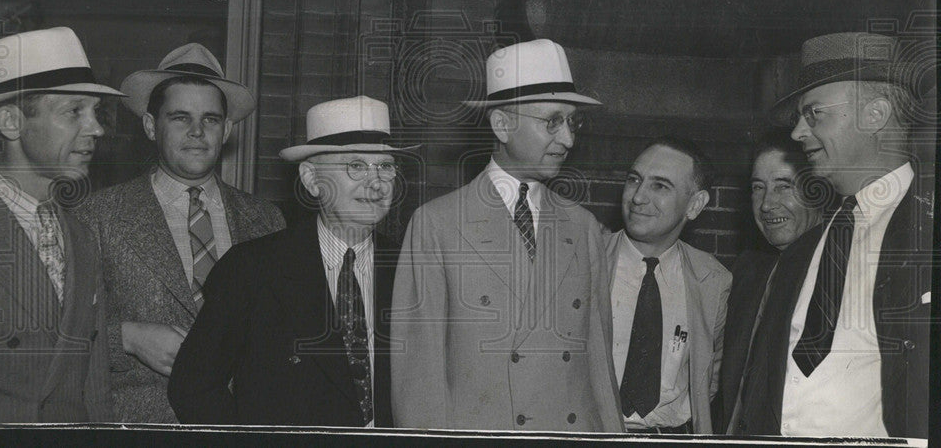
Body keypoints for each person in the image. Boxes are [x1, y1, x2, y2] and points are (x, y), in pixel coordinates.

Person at [391, 39, 625, 432]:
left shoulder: (583, 226)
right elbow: (420, 380)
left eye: (573, 122)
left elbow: (599, 368)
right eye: (552, 121)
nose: (568, 139)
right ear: (502, 124)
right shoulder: (437, 224)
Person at [168, 96, 415, 427]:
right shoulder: (252, 269)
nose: (377, 182)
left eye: (385, 166)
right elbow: (194, 387)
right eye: (355, 165)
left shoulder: (412, 268)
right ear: (312, 179)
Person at [733, 32, 933, 438]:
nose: (797, 133)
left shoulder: (928, 234)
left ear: (874, 115)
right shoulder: (799, 253)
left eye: (814, 114)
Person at [74, 43, 285, 423]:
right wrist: (127, 337)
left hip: (243, 426)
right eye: (180, 118)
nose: (197, 132)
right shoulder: (98, 215)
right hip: (140, 427)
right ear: (151, 126)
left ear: (228, 129)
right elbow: (58, 331)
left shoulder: (267, 220)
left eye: (211, 119)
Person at [0, 27, 123, 422]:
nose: (96, 128)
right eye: (74, 111)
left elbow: (95, 388)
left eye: (95, 112)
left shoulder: (81, 235)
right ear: (12, 122)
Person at [605, 137, 732, 434]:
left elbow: (710, 378)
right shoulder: (587, 261)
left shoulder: (713, 279)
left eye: (660, 186)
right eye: (634, 180)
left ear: (694, 204)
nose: (637, 197)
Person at [713, 132, 822, 432]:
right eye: (758, 188)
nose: (766, 204)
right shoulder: (747, 270)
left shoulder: (832, 269)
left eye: (783, 186)